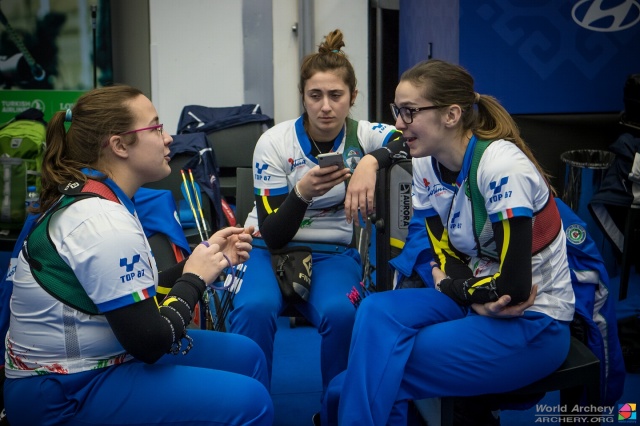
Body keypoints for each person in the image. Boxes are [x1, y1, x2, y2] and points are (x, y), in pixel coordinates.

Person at [322, 59, 576, 425]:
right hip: (478, 297)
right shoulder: (425, 163)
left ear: (452, 115)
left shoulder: (501, 167)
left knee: (374, 372)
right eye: (397, 111)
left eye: (409, 112)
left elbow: (515, 288)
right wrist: (464, 291)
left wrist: (454, 287)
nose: (397, 123)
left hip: (534, 322)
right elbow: (448, 255)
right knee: (374, 311)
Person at [3, 85, 274, 426]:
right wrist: (194, 279)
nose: (169, 139)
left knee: (245, 354)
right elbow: (150, 341)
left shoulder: (102, 196)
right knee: (250, 402)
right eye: (156, 127)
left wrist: (205, 262)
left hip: (99, 361)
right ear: (119, 145)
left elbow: (128, 299)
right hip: (63, 392)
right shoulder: (103, 222)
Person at [227, 29, 400, 404]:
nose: (325, 106)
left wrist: (372, 160)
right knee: (253, 310)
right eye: (315, 95)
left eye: (336, 95)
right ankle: (246, 407)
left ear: (352, 98)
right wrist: (303, 192)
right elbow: (272, 234)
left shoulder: (366, 135)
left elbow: (405, 139)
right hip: (264, 248)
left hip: (332, 254)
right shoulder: (274, 142)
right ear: (303, 98)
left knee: (343, 313)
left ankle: (337, 409)